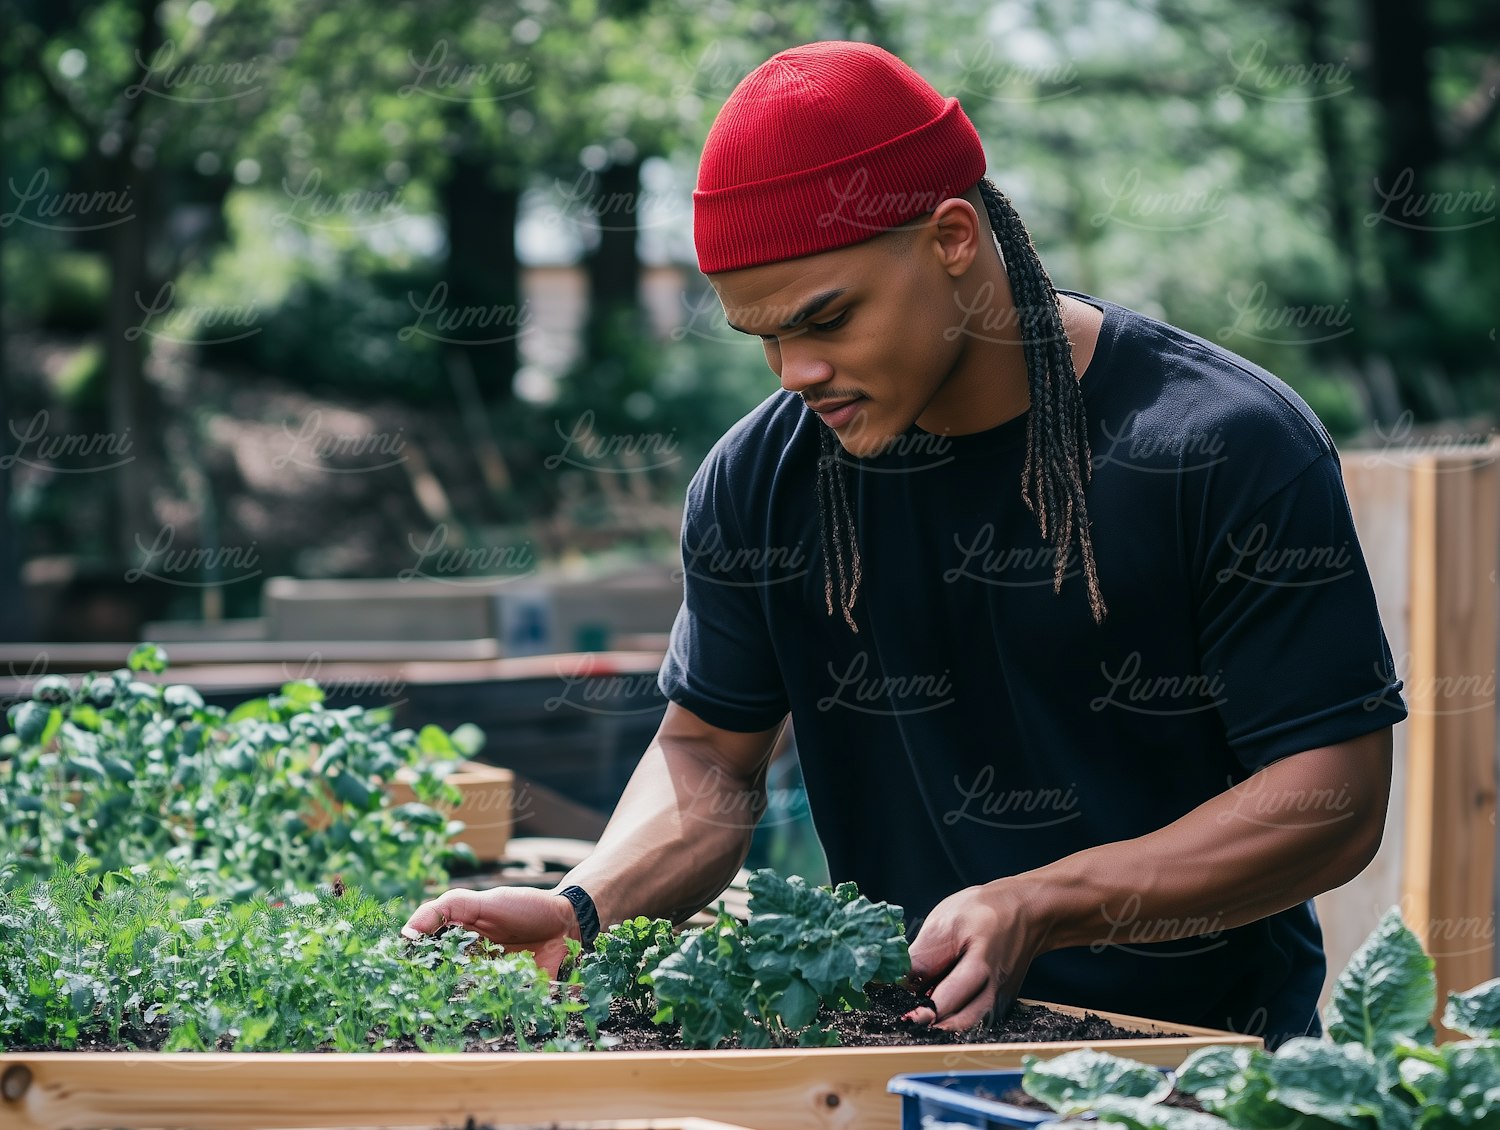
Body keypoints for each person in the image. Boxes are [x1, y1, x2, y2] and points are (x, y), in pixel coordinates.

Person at [403, 40, 1406, 1048]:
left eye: (826, 317)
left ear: (953, 238)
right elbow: (709, 753)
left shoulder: (1223, 445)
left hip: (1198, 1076)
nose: (795, 370)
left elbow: (1334, 798)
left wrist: (1043, 900)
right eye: (763, 336)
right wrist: (583, 908)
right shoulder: (761, 483)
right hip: (898, 1067)